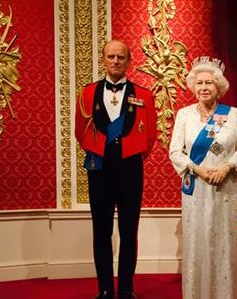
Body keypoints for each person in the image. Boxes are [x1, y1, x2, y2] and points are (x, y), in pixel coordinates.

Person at [75, 40, 157, 299]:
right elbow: (80, 131)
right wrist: (102, 152)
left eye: (121, 57)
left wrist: (130, 155)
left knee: (129, 229)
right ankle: (105, 289)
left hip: (130, 169)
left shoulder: (143, 94)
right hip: (98, 169)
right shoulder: (87, 93)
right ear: (104, 59)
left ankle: (126, 289)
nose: (115, 61)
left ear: (129, 61)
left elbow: (151, 134)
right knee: (101, 230)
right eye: (111, 56)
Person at [169, 56, 237, 299]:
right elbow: (174, 152)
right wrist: (198, 169)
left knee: (224, 245)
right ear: (193, 87)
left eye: (209, 83)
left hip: (226, 189)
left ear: (219, 88)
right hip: (196, 188)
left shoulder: (232, 114)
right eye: (199, 83)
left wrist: (226, 167)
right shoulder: (184, 115)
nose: (203, 88)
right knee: (197, 244)